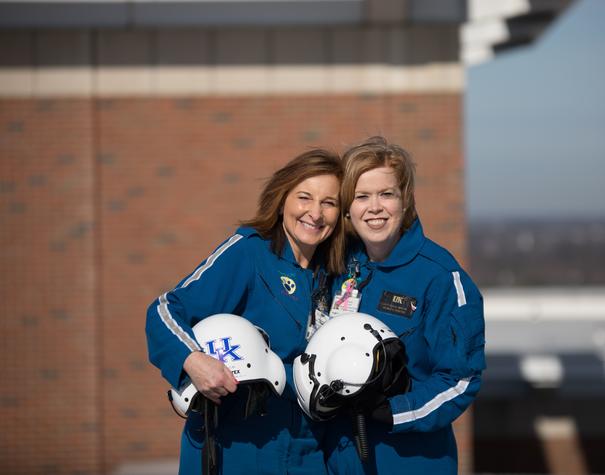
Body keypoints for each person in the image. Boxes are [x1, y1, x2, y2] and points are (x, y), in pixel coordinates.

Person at [145, 148, 345, 474]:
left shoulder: (336, 275)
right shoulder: (249, 251)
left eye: (329, 202)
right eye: (304, 197)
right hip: (234, 449)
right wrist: (193, 360)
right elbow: (164, 310)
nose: (315, 212)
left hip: (306, 450)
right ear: (282, 199)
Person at [324, 136, 486, 474]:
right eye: (362, 196)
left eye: (387, 194)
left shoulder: (440, 276)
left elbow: (461, 379)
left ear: (405, 200)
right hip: (338, 459)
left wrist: (394, 411)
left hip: (408, 460)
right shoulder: (335, 267)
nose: (375, 207)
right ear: (348, 209)